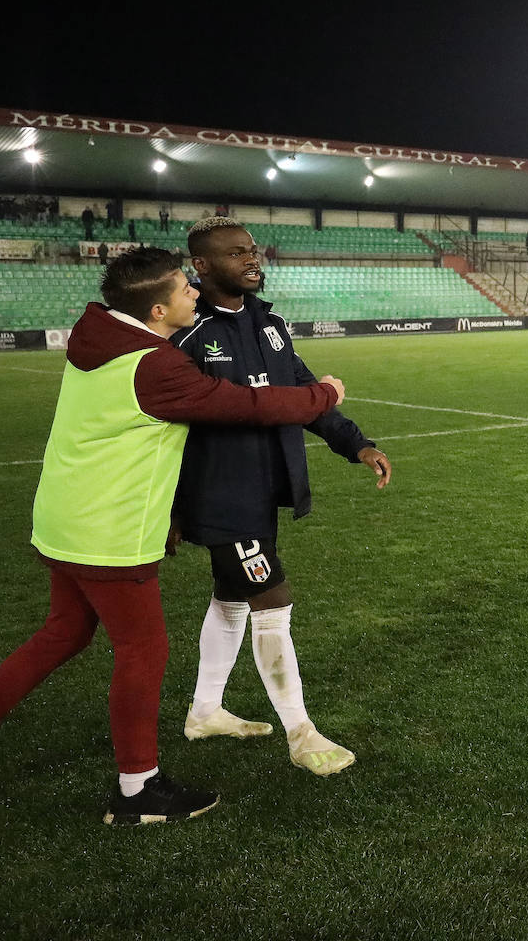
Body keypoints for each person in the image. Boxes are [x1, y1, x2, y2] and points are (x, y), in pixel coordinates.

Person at [0, 247, 345, 824]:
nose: (195, 295)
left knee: (63, 633)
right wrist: (323, 395)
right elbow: (243, 404)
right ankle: (138, 791)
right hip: (109, 531)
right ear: (158, 309)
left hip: (65, 520)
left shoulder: (102, 336)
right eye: (186, 289)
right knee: (142, 651)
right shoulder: (153, 365)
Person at [172, 217, 393, 777]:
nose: (252, 260)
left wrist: (356, 444)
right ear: (200, 266)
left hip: (264, 487)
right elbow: (166, 427)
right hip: (220, 493)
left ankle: (204, 712)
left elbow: (305, 393)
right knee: (273, 597)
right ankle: (301, 732)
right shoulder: (187, 335)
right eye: (235, 253)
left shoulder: (269, 323)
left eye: (252, 250)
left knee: (231, 599)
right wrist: (170, 508)